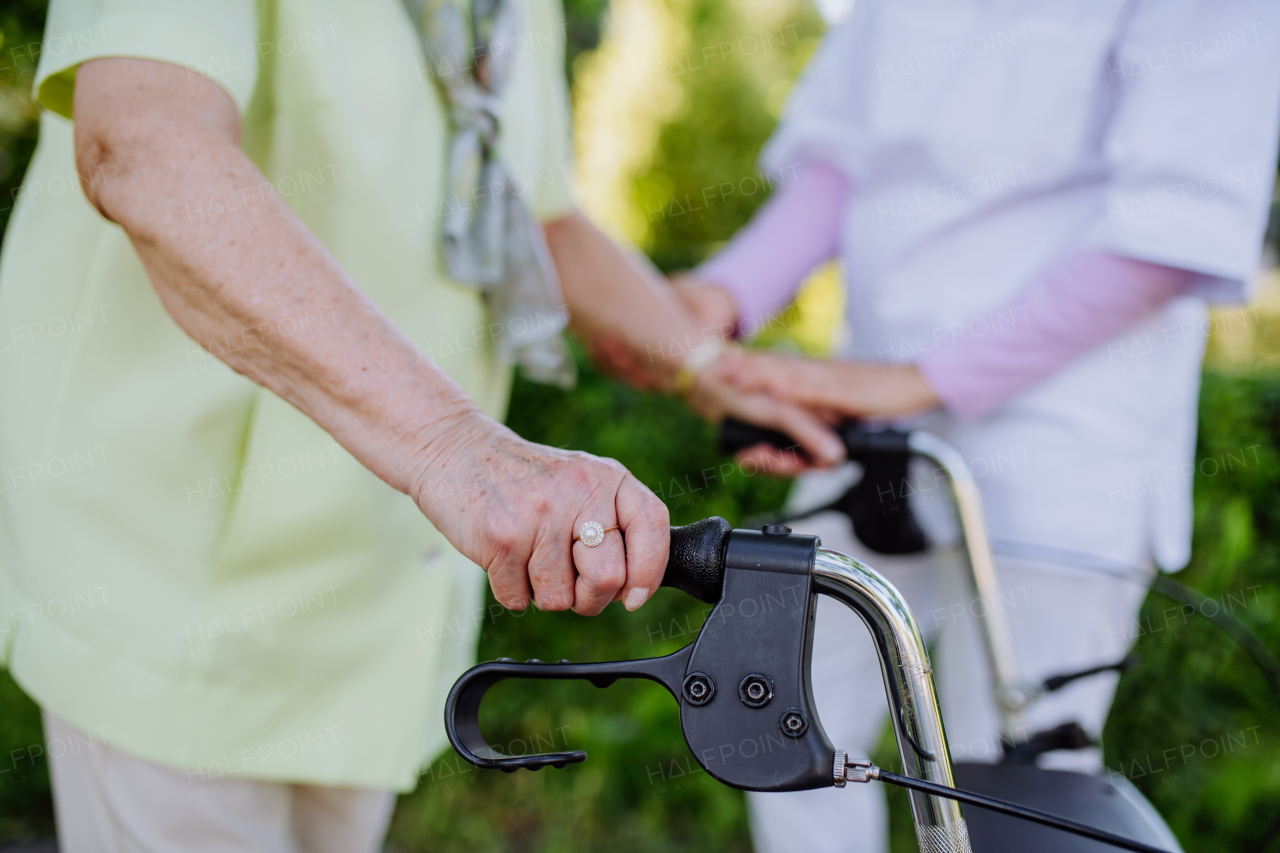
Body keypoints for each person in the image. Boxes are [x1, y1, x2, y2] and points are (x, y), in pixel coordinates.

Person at [0, 0, 840, 849]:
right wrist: (463, 453)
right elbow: (142, 147)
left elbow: (539, 215)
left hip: (374, 586)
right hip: (172, 568)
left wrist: (711, 369)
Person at [671, 3, 1280, 851]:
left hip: (1066, 436)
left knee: (1016, 786)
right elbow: (838, 168)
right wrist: (713, 304)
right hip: (865, 419)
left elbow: (1170, 230)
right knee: (775, 716)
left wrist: (917, 379)